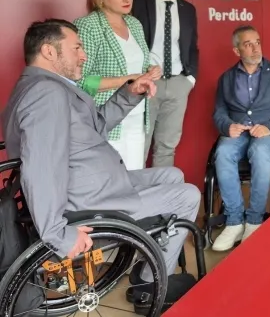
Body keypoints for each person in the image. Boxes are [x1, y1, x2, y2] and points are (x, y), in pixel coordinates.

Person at [0, 19, 200, 314]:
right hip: (88, 201)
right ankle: (150, 284)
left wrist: (130, 93)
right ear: (49, 51)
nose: (83, 55)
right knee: (189, 195)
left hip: (95, 182)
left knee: (173, 174)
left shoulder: (42, 87)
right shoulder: (46, 95)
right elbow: (41, 168)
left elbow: (95, 129)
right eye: (76, 48)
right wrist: (57, 233)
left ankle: (149, 257)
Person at [211, 25, 270, 251]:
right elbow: (219, 111)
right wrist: (227, 126)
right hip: (240, 132)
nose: (255, 48)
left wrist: (269, 127)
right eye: (248, 44)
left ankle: (254, 220)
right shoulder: (226, 78)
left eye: (257, 42)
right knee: (223, 151)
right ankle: (234, 222)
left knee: (259, 151)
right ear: (236, 50)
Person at [74, 0, 161, 171]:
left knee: (135, 178)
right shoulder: (88, 25)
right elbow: (79, 81)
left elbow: (139, 63)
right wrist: (127, 80)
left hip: (137, 116)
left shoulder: (134, 24)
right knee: (110, 180)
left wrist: (151, 70)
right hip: (106, 120)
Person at [132, 0, 199, 168]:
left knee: (167, 146)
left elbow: (191, 47)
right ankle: (136, 189)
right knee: (139, 143)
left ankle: (163, 189)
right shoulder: (137, 0)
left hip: (178, 82)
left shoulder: (188, 9)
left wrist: (190, 80)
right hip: (146, 82)